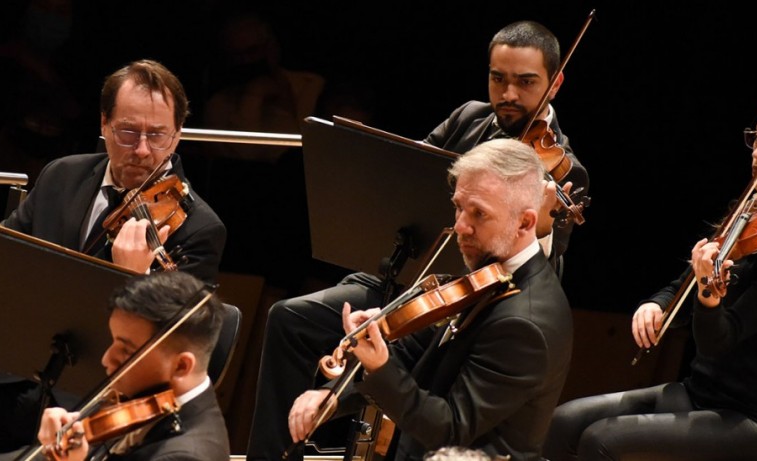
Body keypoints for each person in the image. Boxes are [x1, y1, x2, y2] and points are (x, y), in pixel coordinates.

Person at [246, 20, 586, 461]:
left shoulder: (562, 170)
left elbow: (538, 263)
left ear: (554, 83)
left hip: (476, 289)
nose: (508, 95)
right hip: (419, 279)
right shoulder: (470, 118)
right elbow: (407, 177)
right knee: (292, 318)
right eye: (497, 78)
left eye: (526, 82)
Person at [0, 59, 226, 459]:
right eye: (127, 132)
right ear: (104, 123)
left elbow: (168, 353)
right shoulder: (61, 176)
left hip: (90, 407)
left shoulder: (198, 228)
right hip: (3, 383)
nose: (143, 150)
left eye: (157, 135)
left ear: (177, 136)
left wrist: (130, 280)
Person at [542, 93, 757, 461]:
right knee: (564, 422)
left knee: (602, 441)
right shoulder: (752, 208)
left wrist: (709, 300)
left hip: (756, 417)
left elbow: (720, 340)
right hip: (700, 395)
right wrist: (657, 304)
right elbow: (682, 285)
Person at [287, 138, 573, 461]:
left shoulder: (526, 325)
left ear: (525, 223)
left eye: (479, 214)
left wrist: (380, 367)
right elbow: (409, 354)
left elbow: (450, 429)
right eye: (459, 207)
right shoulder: (488, 271)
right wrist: (332, 395)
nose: (460, 226)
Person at [35, 271, 230, 460]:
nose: (106, 359)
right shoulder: (135, 399)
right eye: (113, 341)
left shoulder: (184, 456)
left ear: (181, 366)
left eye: (126, 350)